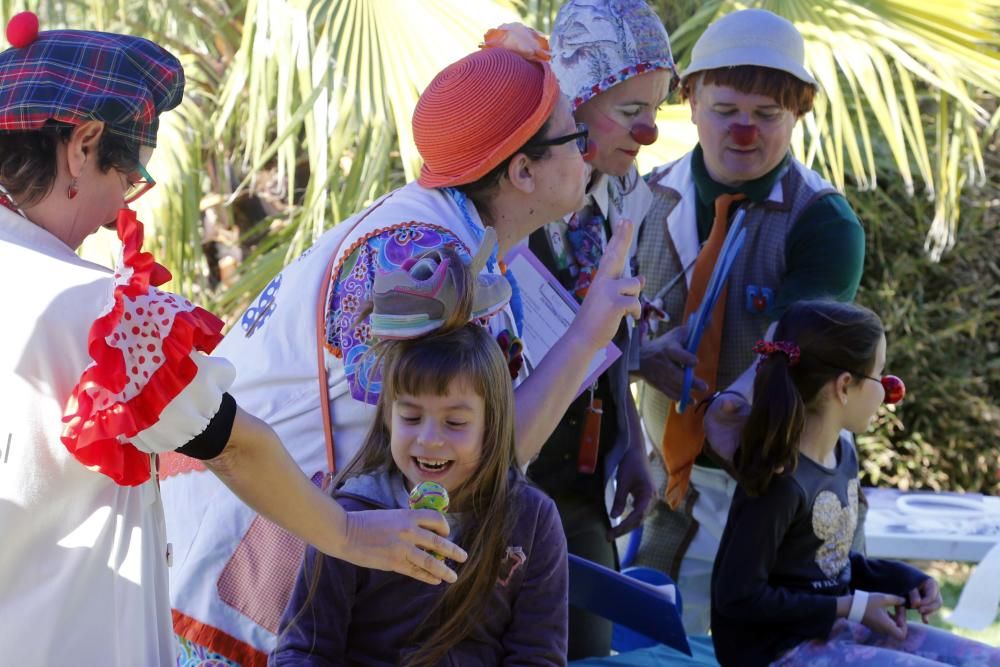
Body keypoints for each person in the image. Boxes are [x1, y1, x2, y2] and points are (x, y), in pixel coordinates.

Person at [161, 23, 640, 664]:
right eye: (574, 137)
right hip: (261, 546)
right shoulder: (424, 259)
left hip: (283, 528)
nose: (589, 153)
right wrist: (589, 332)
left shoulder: (440, 232)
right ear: (522, 171)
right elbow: (490, 451)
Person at [0, 15, 466, 667]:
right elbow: (234, 445)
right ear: (82, 144)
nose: (117, 213)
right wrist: (355, 533)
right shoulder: (92, 311)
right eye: (128, 175)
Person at [631, 8, 867, 633]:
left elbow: (787, 347)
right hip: (664, 485)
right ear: (691, 98)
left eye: (766, 115)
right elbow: (596, 329)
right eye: (726, 108)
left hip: (780, 496)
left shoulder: (824, 224)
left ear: (799, 114)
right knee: (650, 644)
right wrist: (637, 355)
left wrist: (733, 407)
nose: (743, 130)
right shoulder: (638, 200)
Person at [273, 241, 568, 666]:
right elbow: (304, 650)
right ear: (388, 418)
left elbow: (537, 656)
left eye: (454, 423)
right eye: (411, 418)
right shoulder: (352, 517)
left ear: (493, 424)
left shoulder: (532, 521)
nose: (429, 439)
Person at [711, 300, 1000, 667]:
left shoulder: (841, 459)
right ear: (845, 386)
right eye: (881, 376)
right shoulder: (781, 483)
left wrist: (906, 580)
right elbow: (738, 596)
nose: (889, 391)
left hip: (833, 630)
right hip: (776, 652)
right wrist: (853, 606)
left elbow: (829, 565)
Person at [525, 0, 675, 657]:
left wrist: (632, 439)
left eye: (656, 110)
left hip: (584, 479)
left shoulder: (622, 187)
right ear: (577, 100)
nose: (647, 133)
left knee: (588, 652)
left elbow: (609, 328)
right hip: (505, 476)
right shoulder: (511, 188)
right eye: (630, 110)